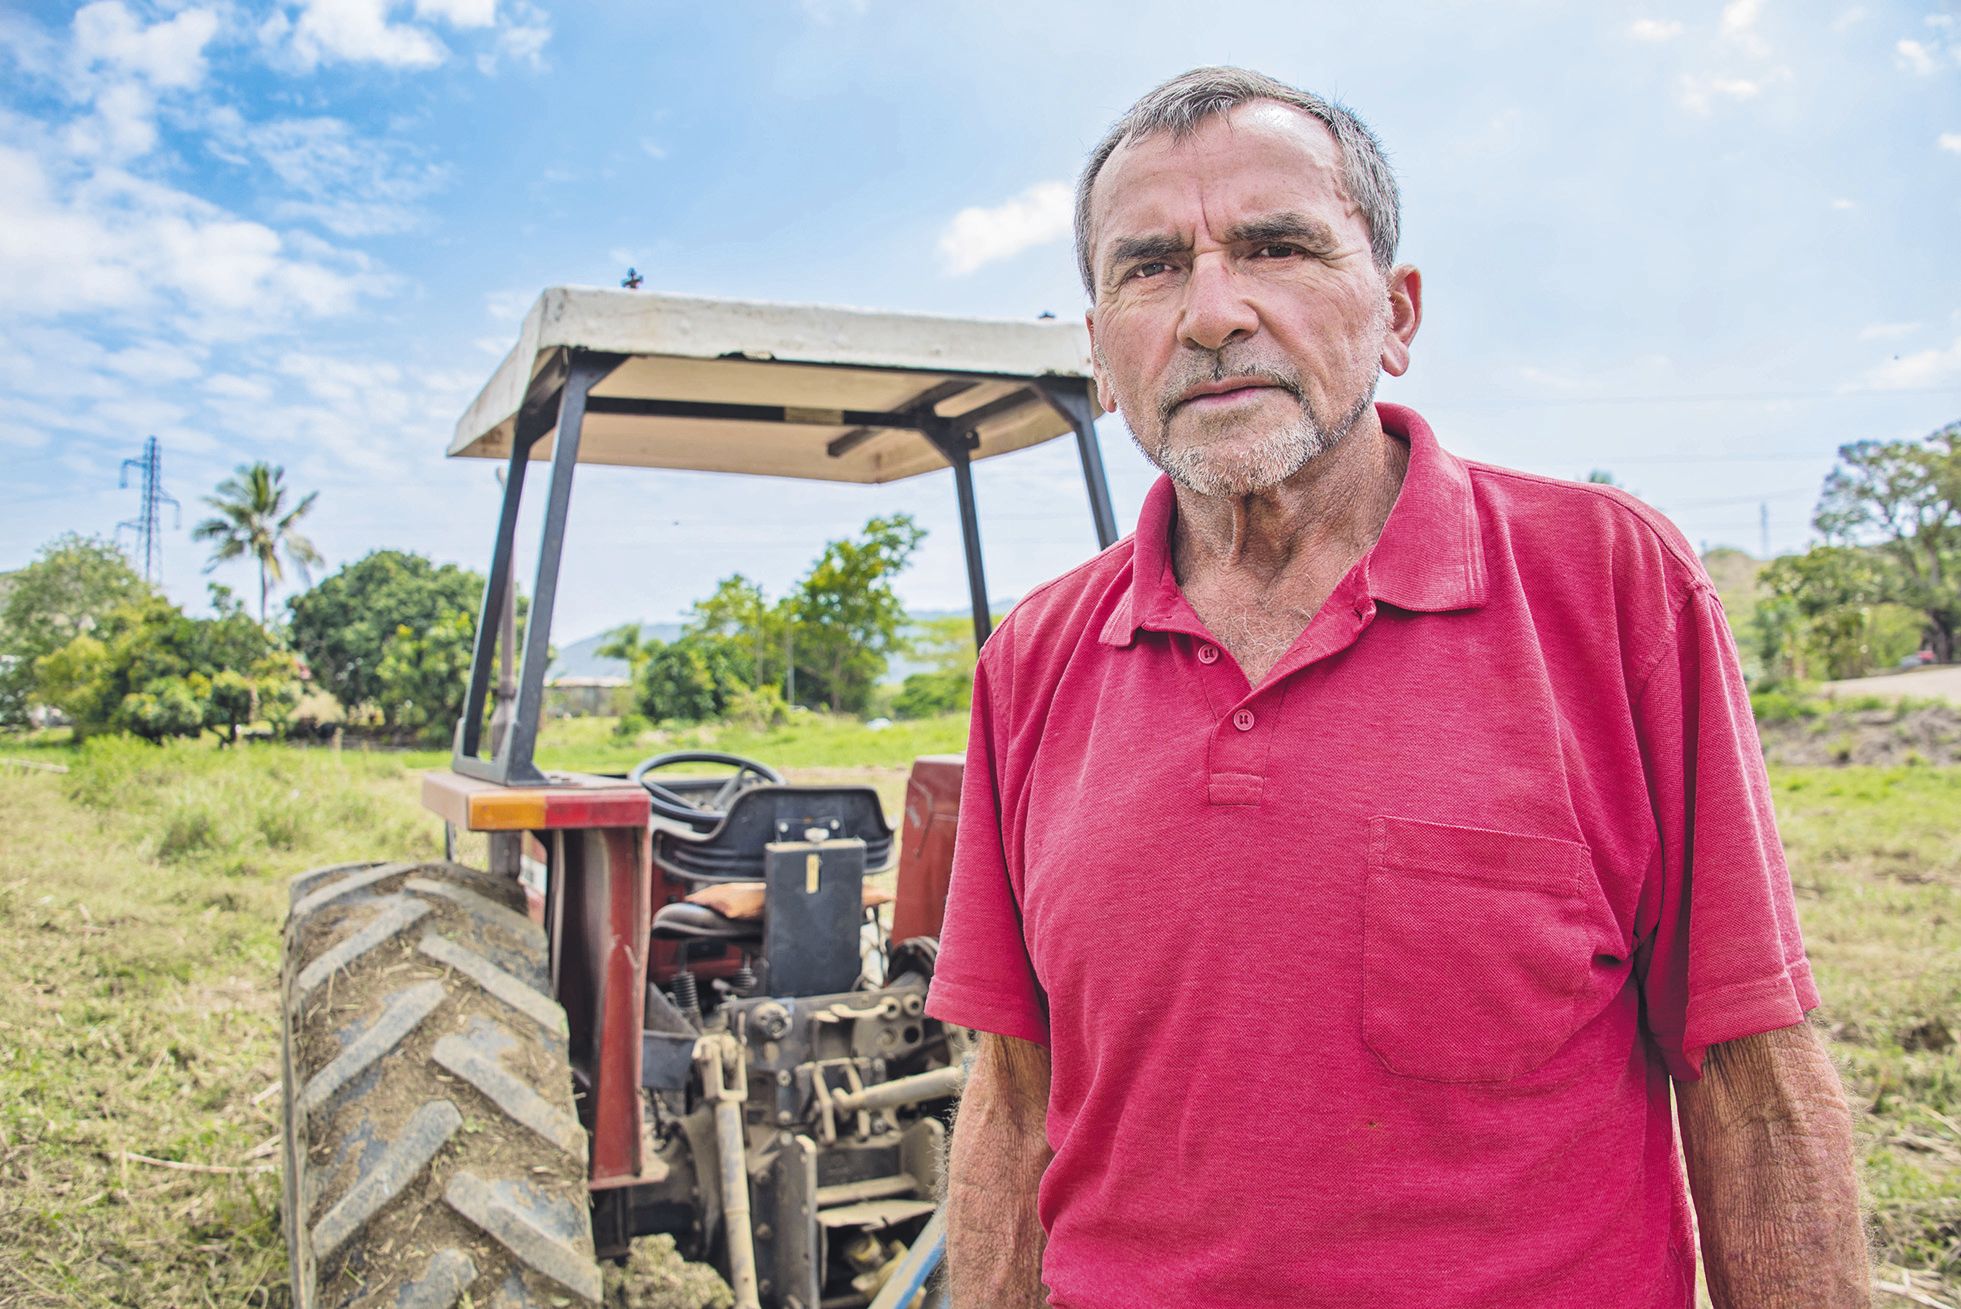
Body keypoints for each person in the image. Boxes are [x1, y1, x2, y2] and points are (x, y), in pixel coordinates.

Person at [923, 66, 1868, 1309]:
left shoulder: (1606, 587)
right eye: (1148, 267)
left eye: (1276, 246)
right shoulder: (1033, 659)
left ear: (1397, 314)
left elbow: (1745, 1068)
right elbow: (1012, 1095)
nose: (1212, 313)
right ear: (1099, 351)